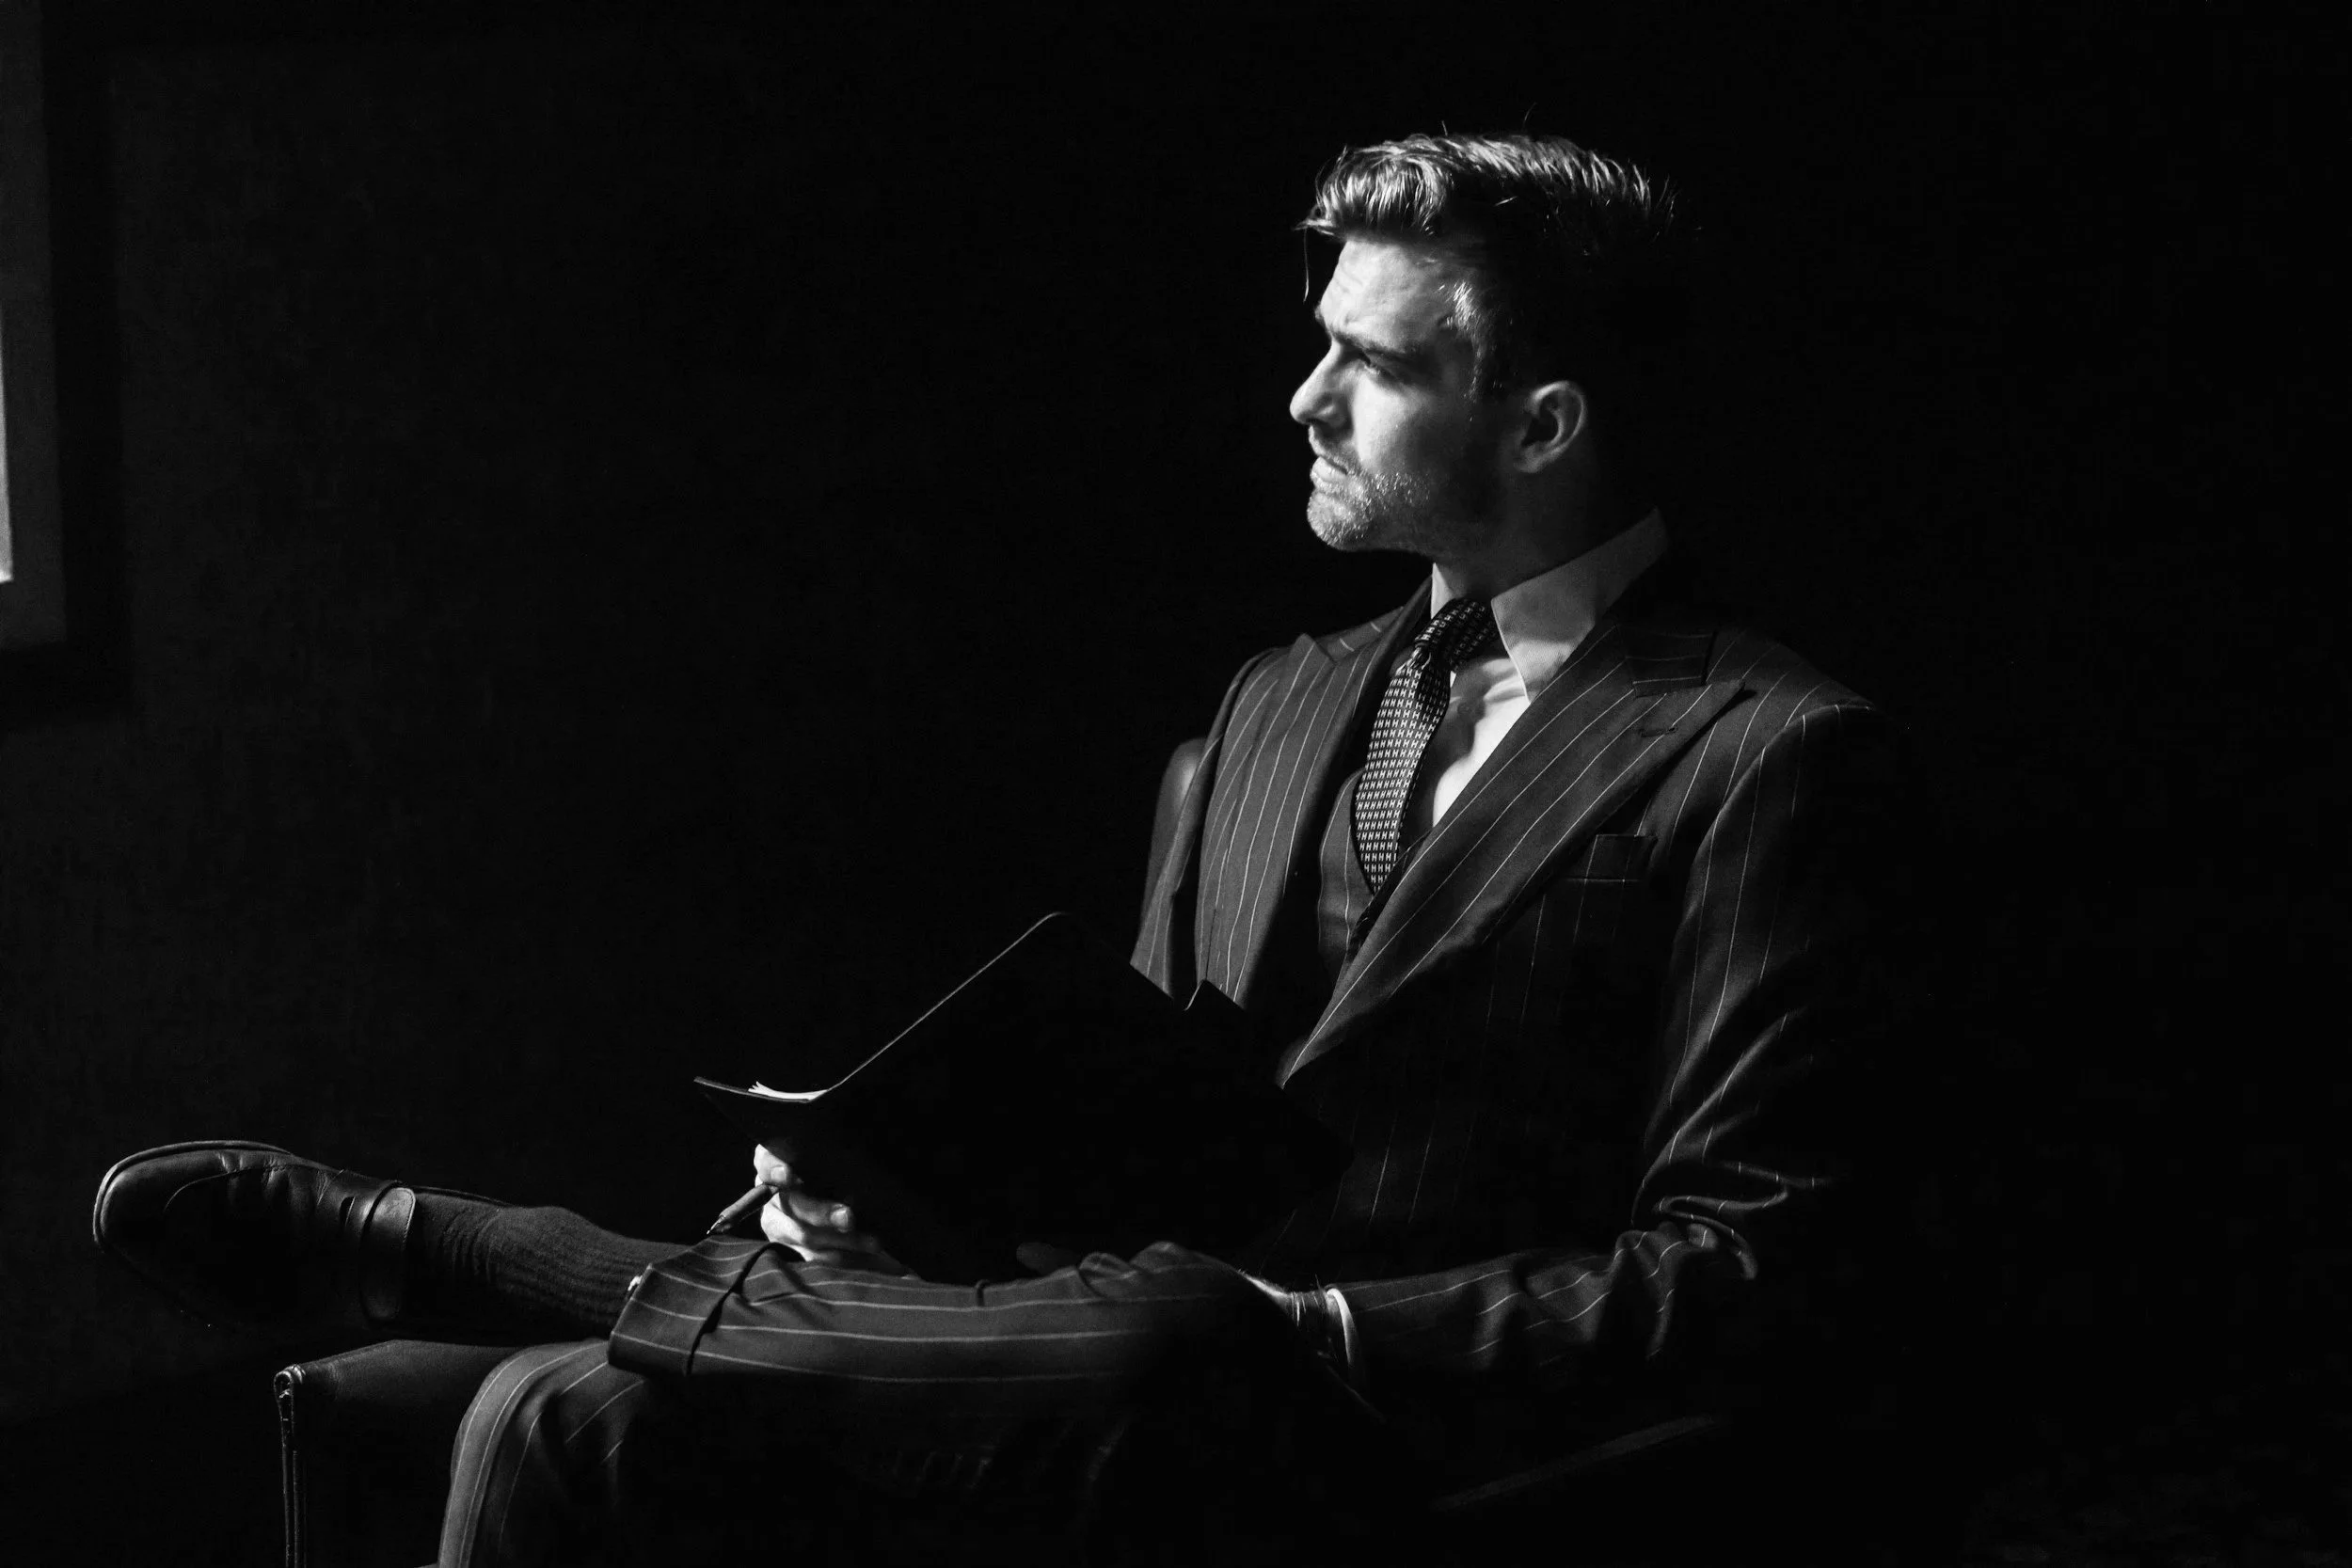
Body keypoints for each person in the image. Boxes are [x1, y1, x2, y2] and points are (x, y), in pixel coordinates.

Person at [93, 132, 1909, 1565]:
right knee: (557, 1422)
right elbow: (1116, 1117)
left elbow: (1745, 1272)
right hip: (1093, 1351)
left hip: (1360, 1408)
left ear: (1544, 423)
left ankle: (463, 1246)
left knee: (1192, 1331)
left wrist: (1333, 1323)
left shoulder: (1764, 753)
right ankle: (560, 1268)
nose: (1303, 397)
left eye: (1368, 361)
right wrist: (898, 1191)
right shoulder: (1280, 697)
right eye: (1317, 342)